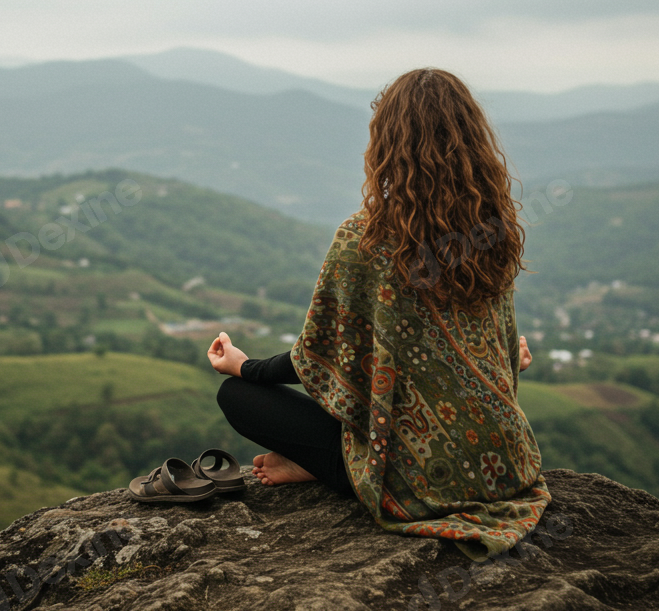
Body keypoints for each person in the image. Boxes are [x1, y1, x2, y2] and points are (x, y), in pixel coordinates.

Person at [208, 67, 551, 561]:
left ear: (387, 145)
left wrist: (246, 366)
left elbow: (322, 358)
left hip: (413, 471)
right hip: (505, 465)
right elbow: (491, 347)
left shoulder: (364, 238)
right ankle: (327, 462)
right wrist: (500, 362)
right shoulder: (493, 230)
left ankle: (332, 467)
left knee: (238, 396)